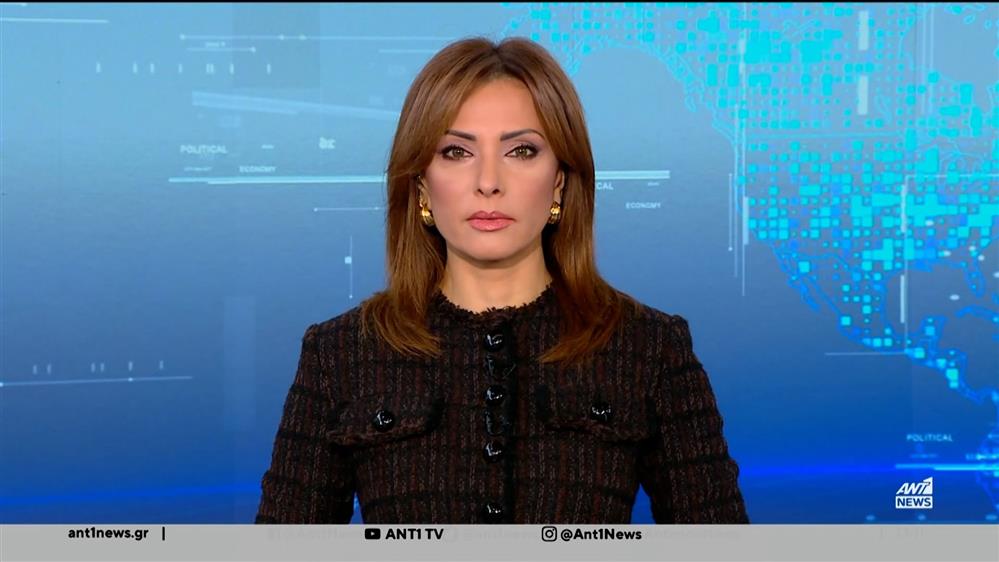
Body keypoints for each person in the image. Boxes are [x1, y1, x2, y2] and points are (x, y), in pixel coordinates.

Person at [254, 35, 749, 524]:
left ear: (560, 180)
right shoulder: (339, 354)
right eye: (456, 152)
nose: (488, 182)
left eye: (521, 151)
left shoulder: (651, 347)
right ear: (421, 183)